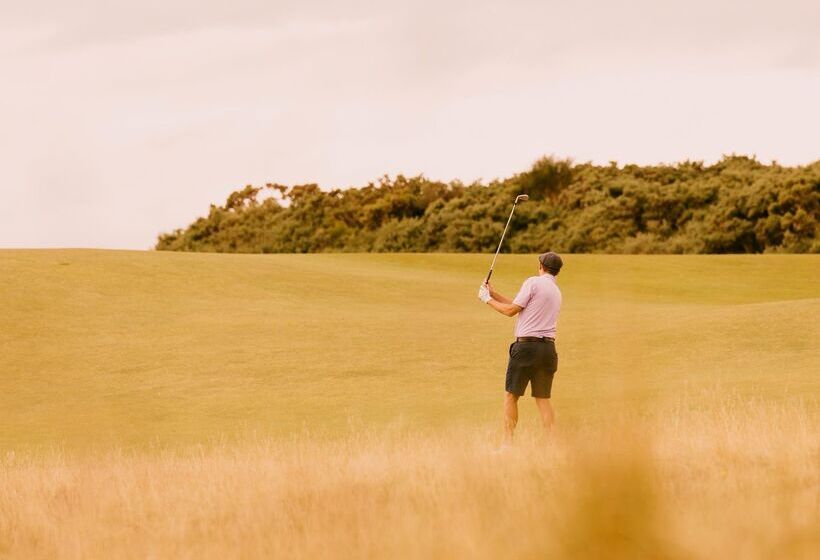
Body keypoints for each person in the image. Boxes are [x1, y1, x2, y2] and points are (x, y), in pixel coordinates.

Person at [478, 252, 563, 444]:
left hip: (526, 348)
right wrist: (492, 292)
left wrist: (486, 299)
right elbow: (520, 305)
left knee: (511, 396)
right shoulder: (556, 291)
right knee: (543, 399)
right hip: (548, 350)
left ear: (541, 265)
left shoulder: (533, 282)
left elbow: (510, 311)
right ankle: (552, 444)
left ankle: (508, 444)